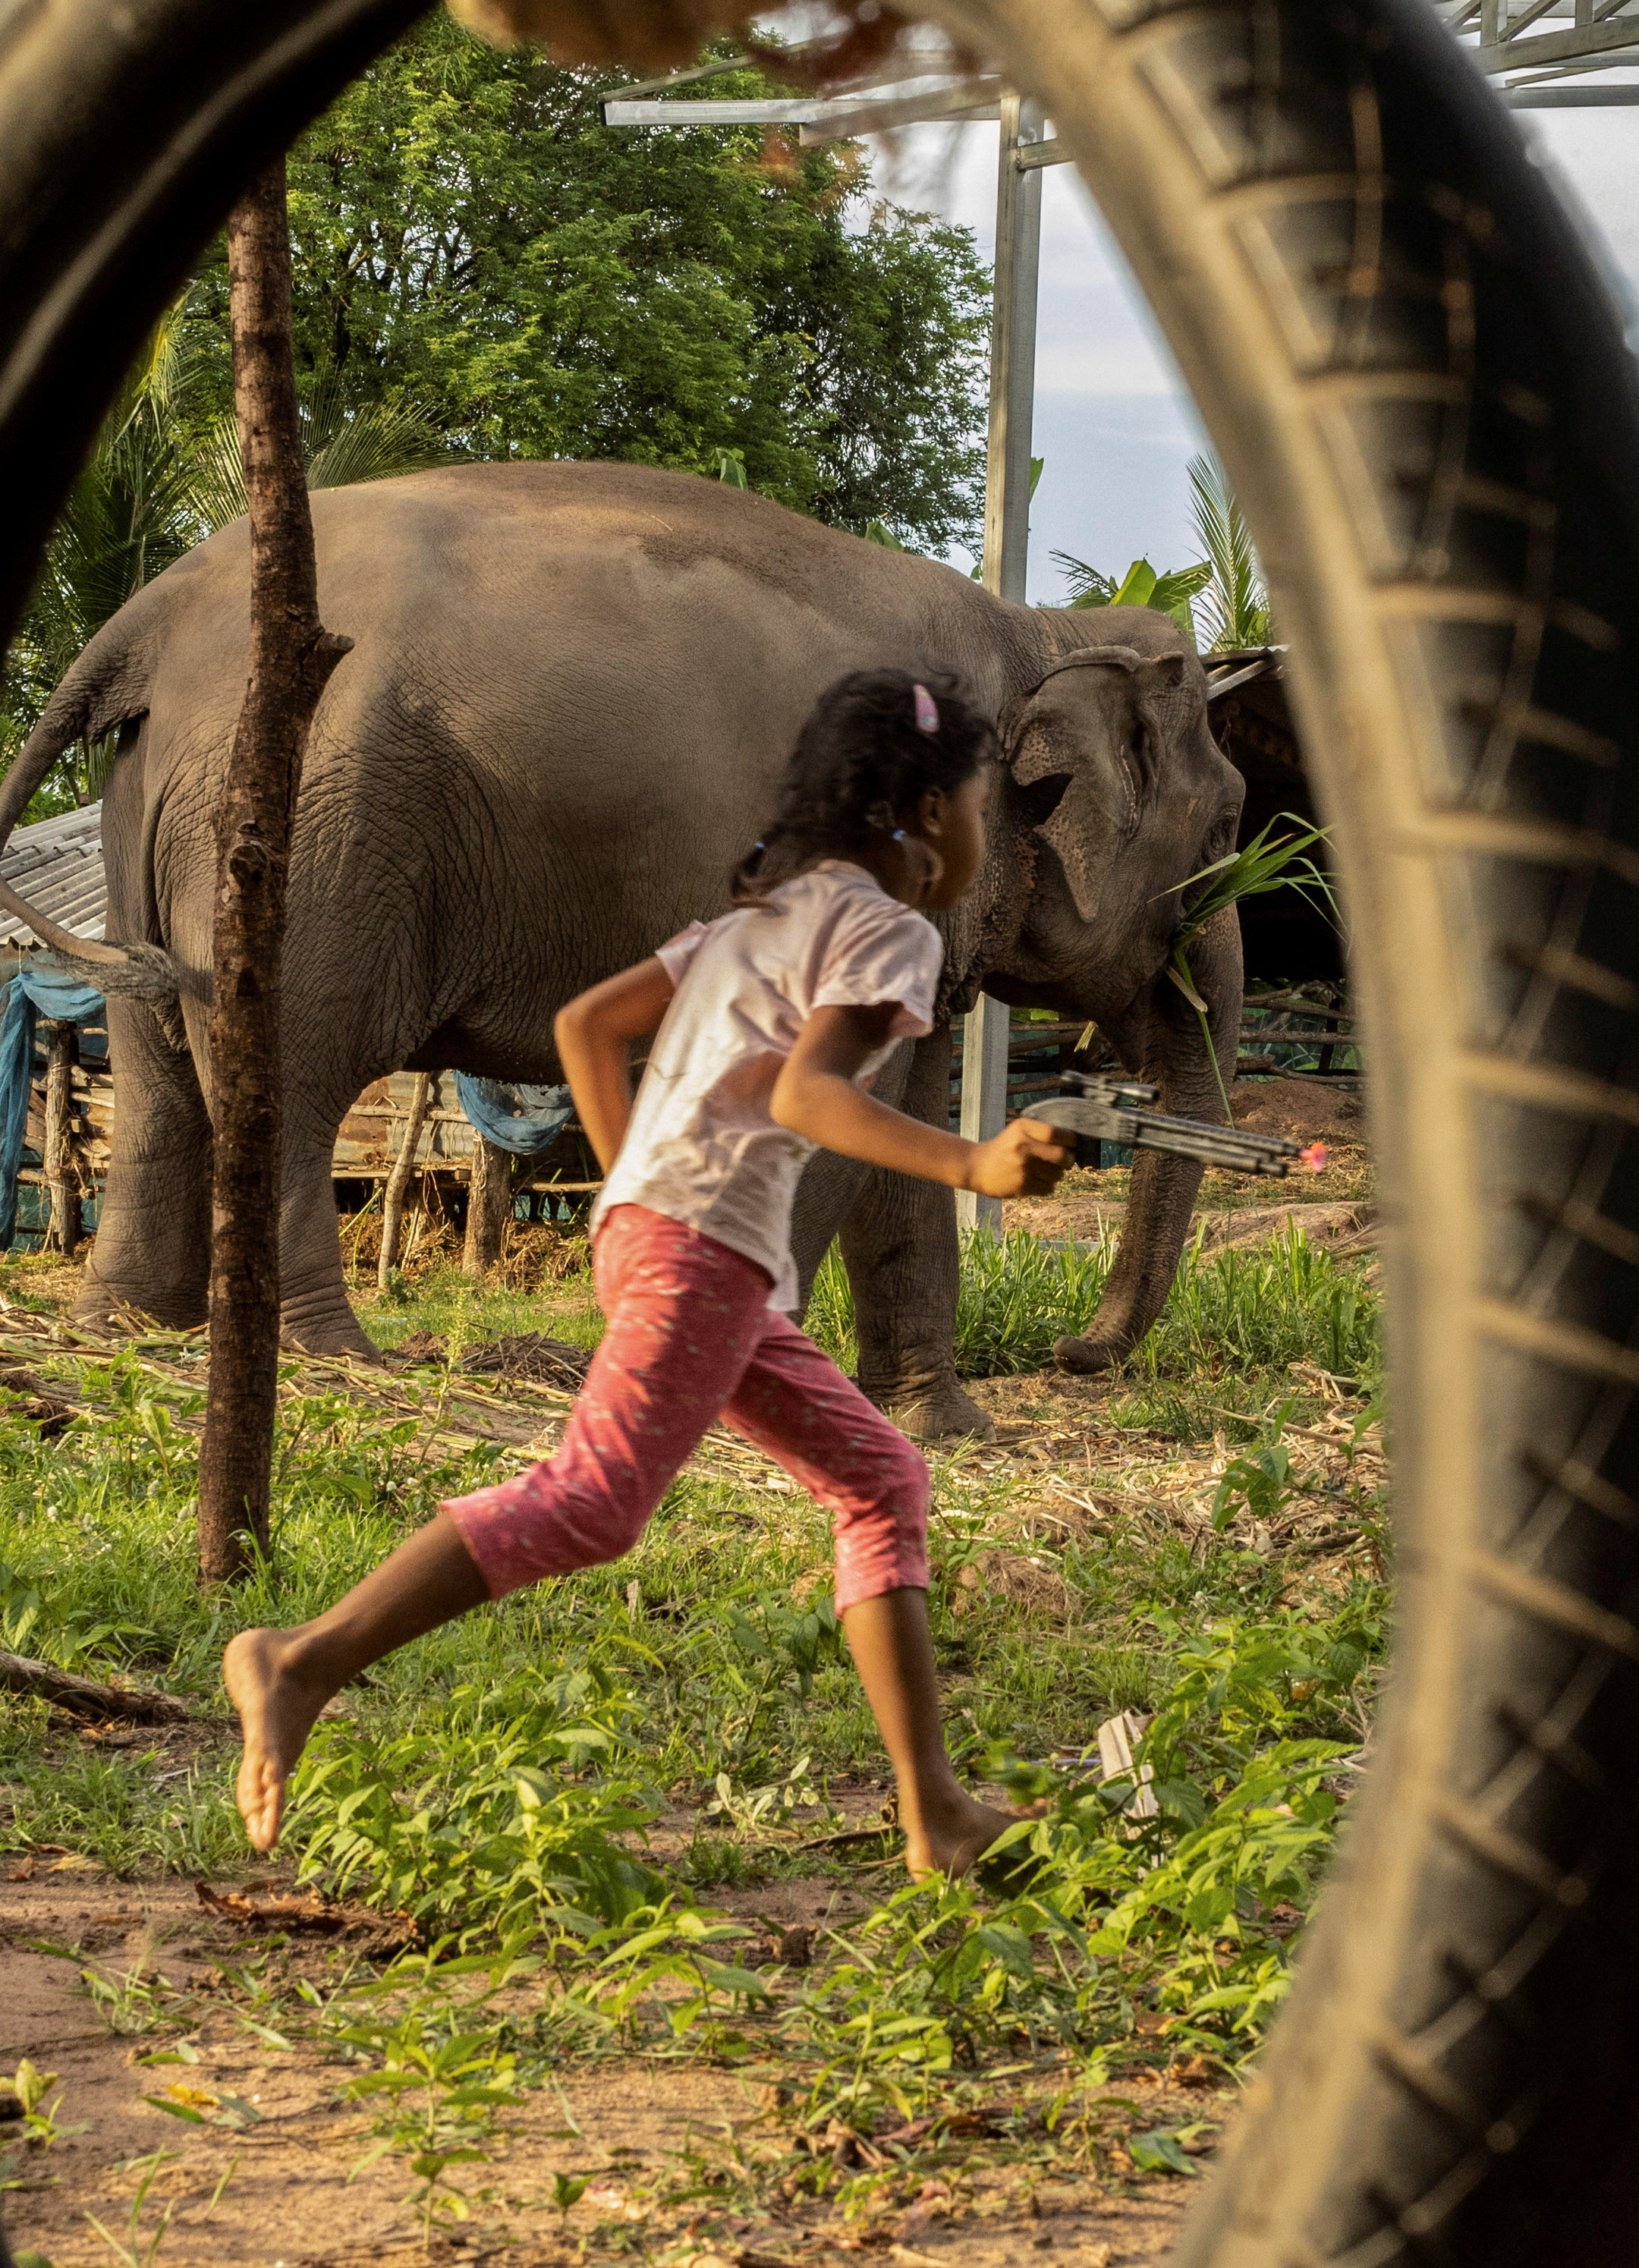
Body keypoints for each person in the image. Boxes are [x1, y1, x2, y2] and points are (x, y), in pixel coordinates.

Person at [224, 668, 1074, 1877]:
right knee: (589, 1502)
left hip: (666, 1240)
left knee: (883, 1475)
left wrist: (639, 1184)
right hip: (697, 1248)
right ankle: (301, 1657)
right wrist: (974, 1164)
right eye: (984, 802)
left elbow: (586, 1026)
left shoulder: (753, 923)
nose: (986, 832)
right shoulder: (892, 928)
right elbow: (806, 1092)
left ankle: (933, 1811)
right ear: (933, 813)